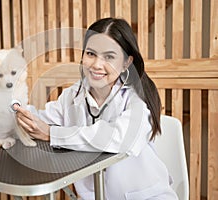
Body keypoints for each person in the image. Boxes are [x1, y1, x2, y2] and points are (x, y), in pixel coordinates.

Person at [14, 18, 178, 199]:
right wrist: (14, 107)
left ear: (126, 63)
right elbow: (41, 120)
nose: (97, 65)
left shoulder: (137, 98)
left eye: (109, 57)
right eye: (91, 54)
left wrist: (53, 134)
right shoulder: (73, 95)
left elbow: (120, 137)